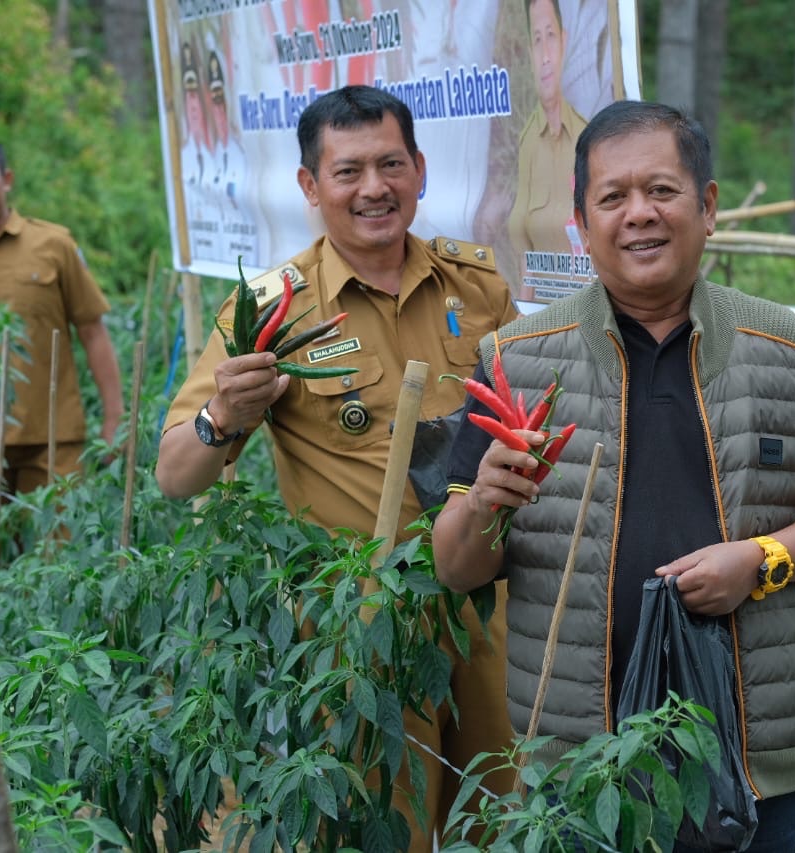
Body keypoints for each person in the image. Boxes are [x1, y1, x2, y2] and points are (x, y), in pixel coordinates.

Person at [434, 100, 795, 851]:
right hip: (580, 755)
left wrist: (759, 560)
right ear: (581, 223)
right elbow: (454, 564)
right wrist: (483, 502)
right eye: (613, 197)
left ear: (707, 207)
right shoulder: (515, 359)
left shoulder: (784, 350)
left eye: (662, 191)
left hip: (747, 750)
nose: (639, 213)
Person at [154, 85, 519, 847]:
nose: (374, 188)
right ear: (309, 186)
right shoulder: (270, 309)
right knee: (386, 823)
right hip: (365, 625)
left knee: (499, 814)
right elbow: (175, 474)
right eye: (348, 171)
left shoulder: (476, 288)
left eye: (391, 164)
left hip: (489, 612)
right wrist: (224, 416)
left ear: (420, 169)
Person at [0, 143, 123, 497]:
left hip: (53, 439)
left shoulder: (53, 245)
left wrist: (114, 419)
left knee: (58, 549)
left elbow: (92, 331)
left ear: (7, 180)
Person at [507, 0, 589, 295]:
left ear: (564, 42)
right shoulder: (527, 141)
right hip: (541, 313)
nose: (545, 56)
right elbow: (524, 252)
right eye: (537, 40)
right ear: (529, 52)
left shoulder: (588, 137)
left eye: (550, 37)